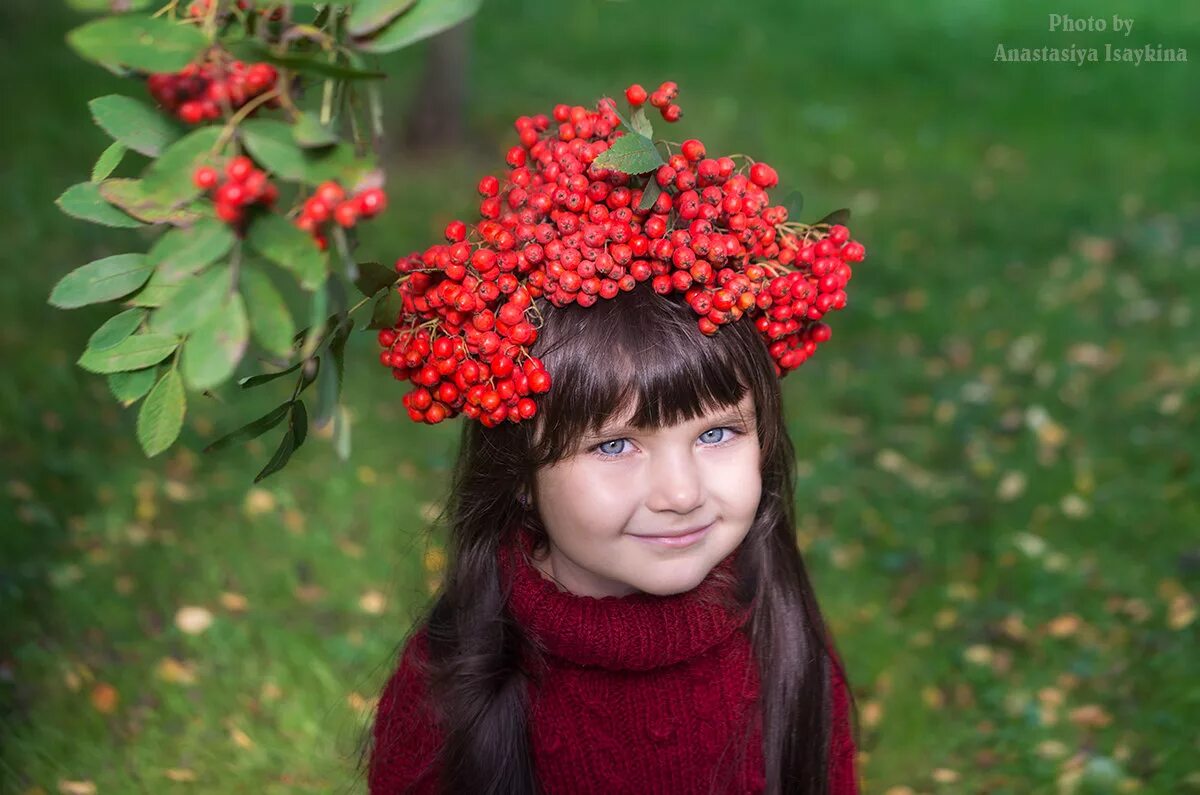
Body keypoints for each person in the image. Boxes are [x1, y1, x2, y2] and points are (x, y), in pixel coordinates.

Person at [365, 279, 859, 794]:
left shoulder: (787, 640)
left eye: (715, 434)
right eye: (615, 445)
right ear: (518, 475)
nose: (682, 494)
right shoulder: (453, 682)